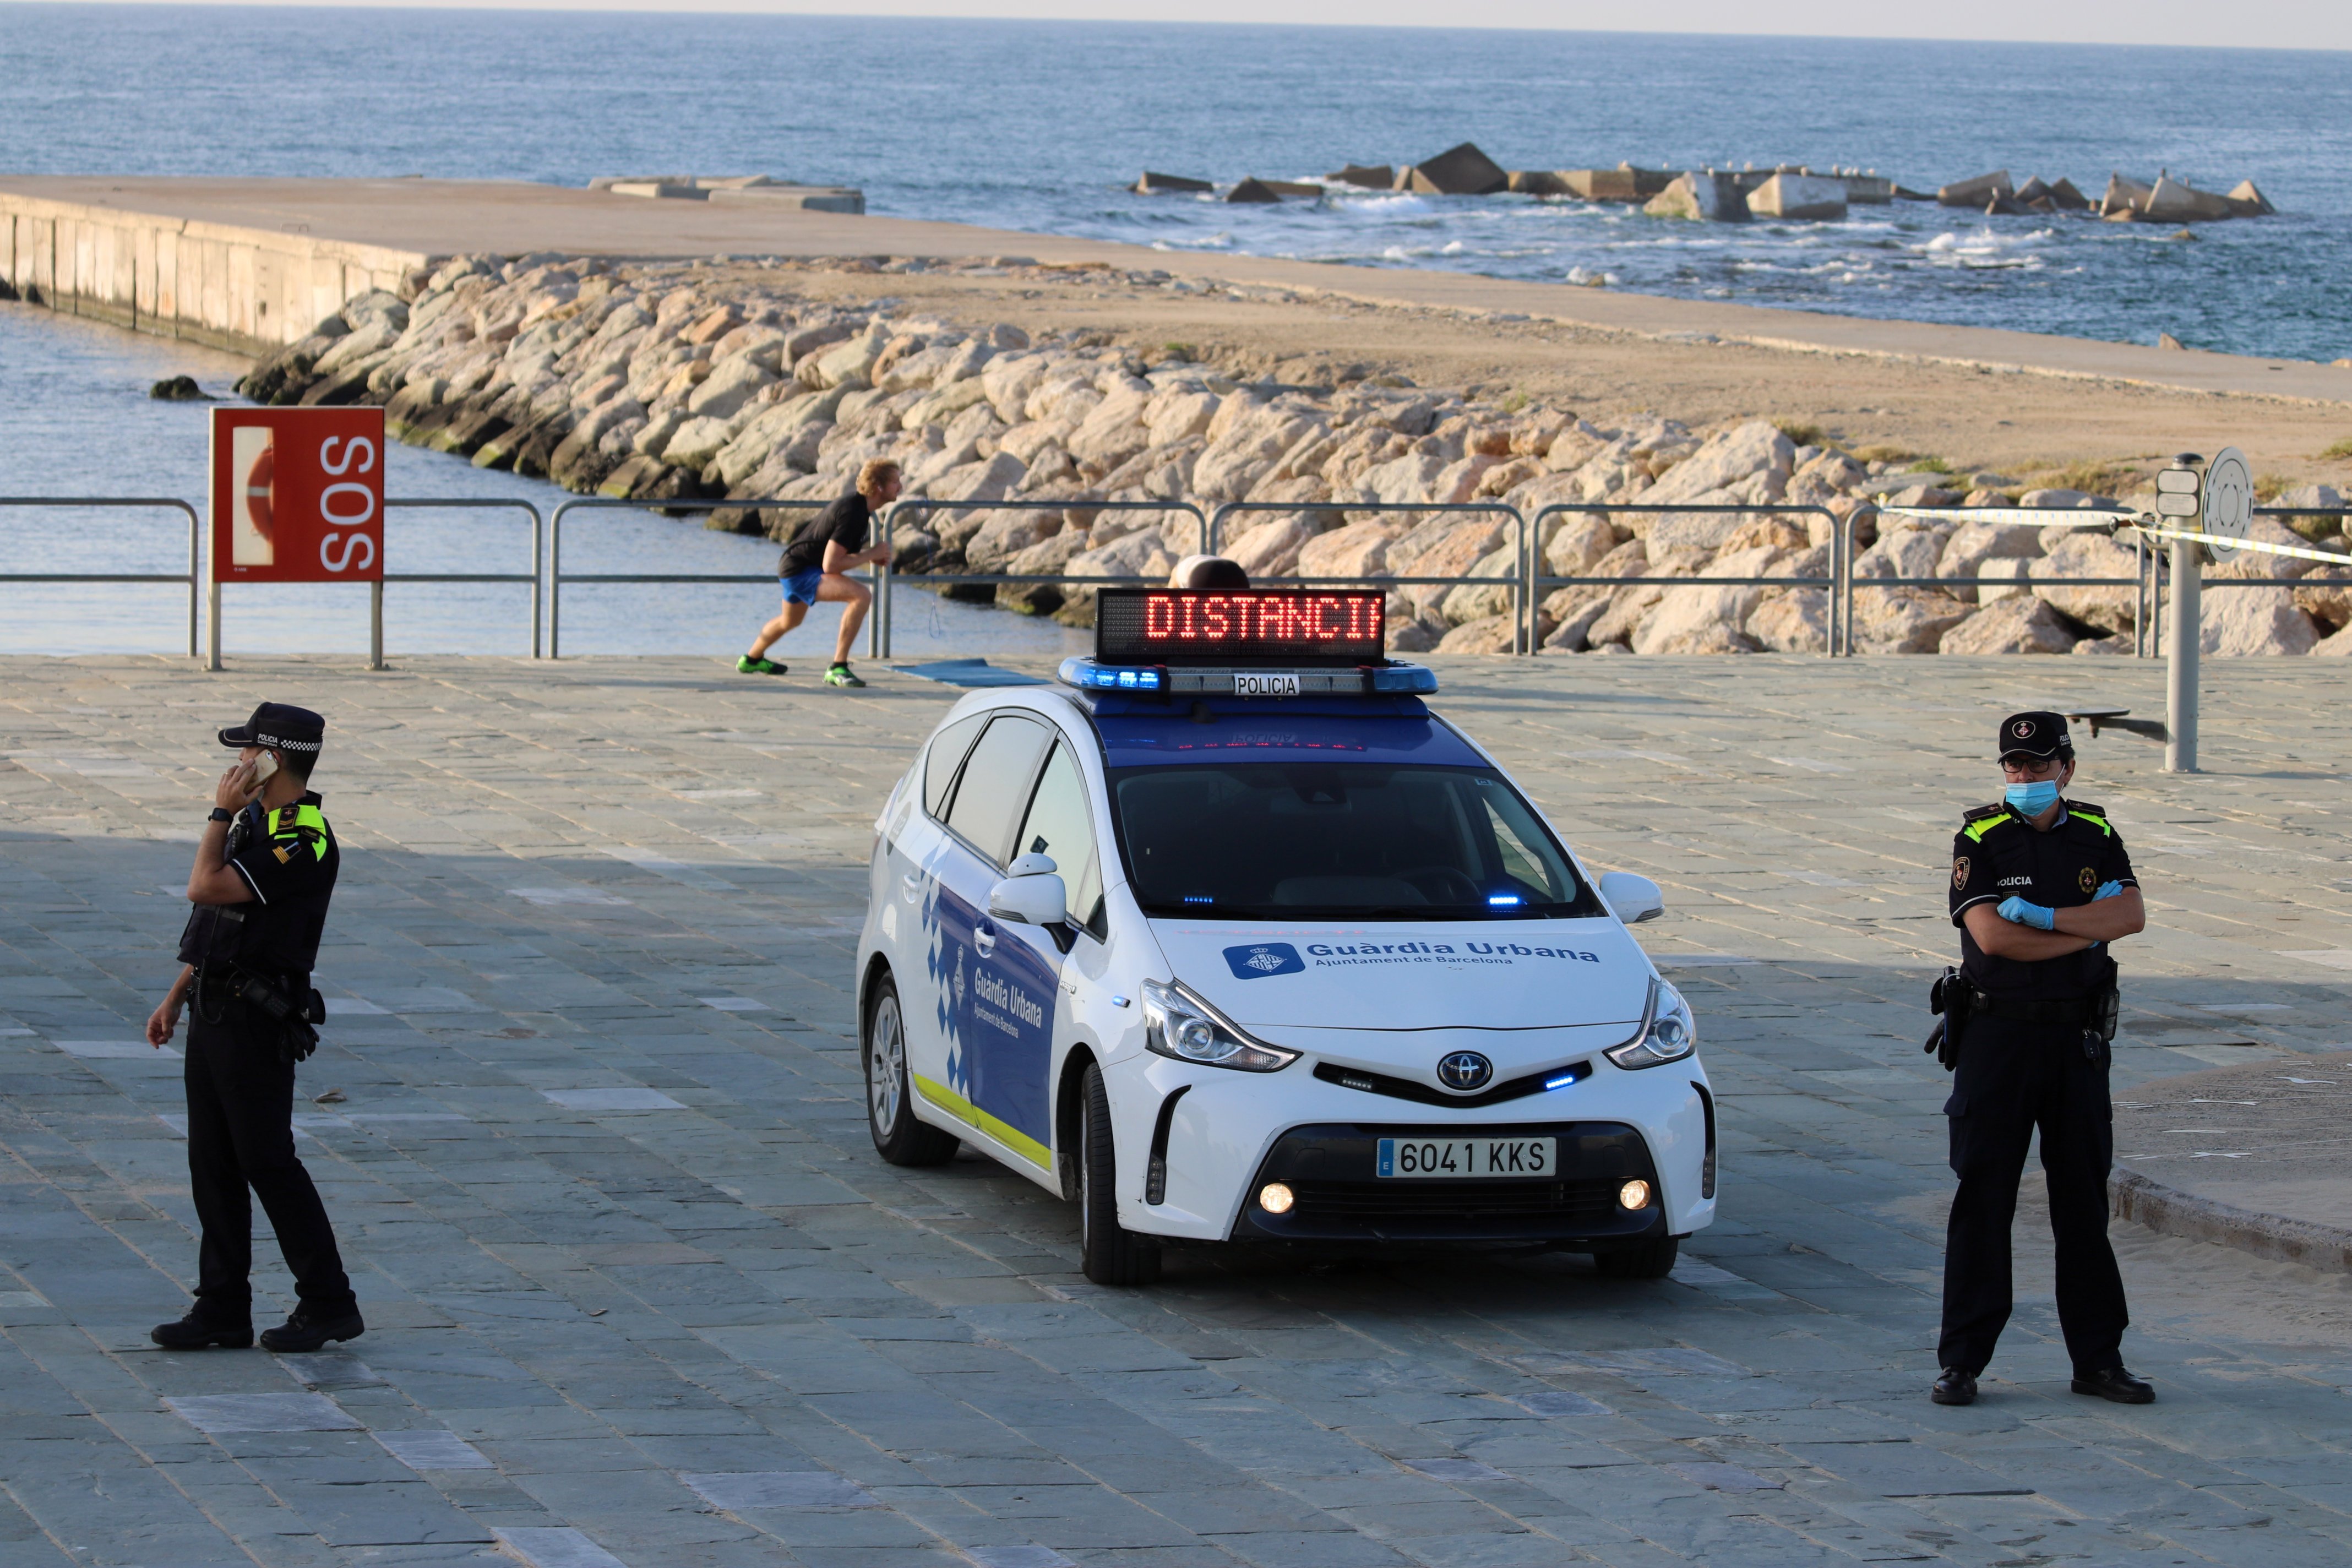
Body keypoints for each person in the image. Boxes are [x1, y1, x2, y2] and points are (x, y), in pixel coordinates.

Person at [1934, 711, 2149, 1407]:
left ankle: (2098, 1359)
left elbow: (2132, 917)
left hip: (2076, 1042)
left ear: (2067, 768)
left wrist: (2048, 919)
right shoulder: (1981, 837)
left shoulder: (2097, 833)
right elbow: (1994, 939)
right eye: (2012, 766)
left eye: (2036, 765)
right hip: (1998, 1040)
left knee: (2083, 1202)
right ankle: (1962, 1360)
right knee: (1984, 1198)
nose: (2022, 777)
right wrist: (2082, 932)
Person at [145, 703, 362, 1354]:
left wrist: (216, 813)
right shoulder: (258, 821)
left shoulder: (303, 836)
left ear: (273, 758)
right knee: (211, 1161)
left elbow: (204, 888)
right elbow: (217, 926)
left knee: (266, 1160)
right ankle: (221, 1307)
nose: (238, 763)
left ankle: (328, 1301)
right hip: (215, 1006)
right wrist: (177, 993)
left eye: (247, 753)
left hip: (256, 1018)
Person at [739, 458, 900, 688]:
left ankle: (751, 660)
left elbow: (832, 560)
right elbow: (831, 566)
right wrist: (871, 554)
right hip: (801, 570)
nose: (901, 487)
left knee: (790, 620)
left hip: (795, 565)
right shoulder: (853, 512)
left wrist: (869, 555)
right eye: (895, 481)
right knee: (861, 596)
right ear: (879, 487)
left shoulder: (859, 509)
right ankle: (838, 668)